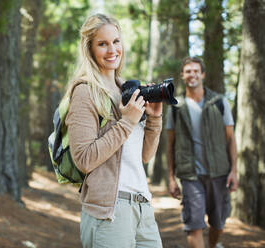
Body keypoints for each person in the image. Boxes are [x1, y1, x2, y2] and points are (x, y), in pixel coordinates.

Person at [63, 14, 163, 247]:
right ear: (89, 49)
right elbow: (84, 159)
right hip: (109, 212)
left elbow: (144, 157)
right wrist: (127, 122)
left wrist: (154, 120)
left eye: (116, 41)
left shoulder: (127, 90)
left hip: (143, 207)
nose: (112, 50)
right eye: (102, 44)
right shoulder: (85, 92)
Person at [165, 57, 238, 248]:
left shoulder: (219, 102)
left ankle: (213, 245)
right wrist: (171, 178)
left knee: (218, 223)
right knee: (194, 225)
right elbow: (170, 144)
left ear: (203, 74)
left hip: (219, 173)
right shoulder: (176, 106)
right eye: (188, 71)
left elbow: (231, 139)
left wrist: (234, 171)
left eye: (196, 71)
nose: (192, 75)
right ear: (182, 75)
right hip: (191, 176)